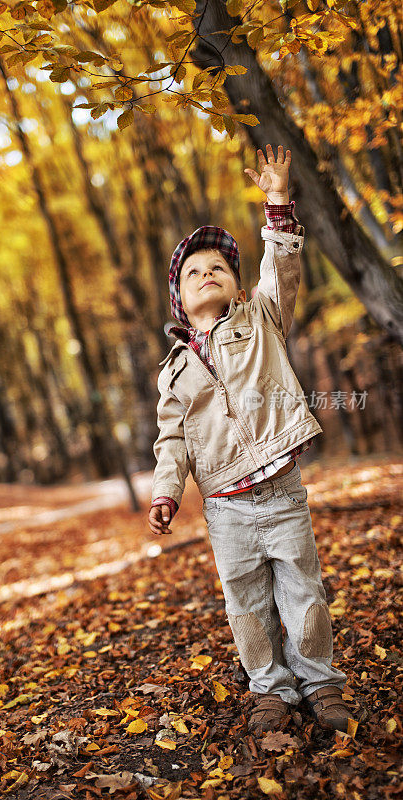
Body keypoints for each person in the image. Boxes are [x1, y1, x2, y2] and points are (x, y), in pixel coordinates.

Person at [148, 144, 355, 735]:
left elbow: (281, 270)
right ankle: (270, 688)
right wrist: (167, 491)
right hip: (224, 506)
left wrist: (277, 204)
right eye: (193, 272)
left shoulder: (261, 317)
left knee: (302, 590)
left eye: (217, 267)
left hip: (279, 487)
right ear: (180, 302)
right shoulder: (175, 370)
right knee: (246, 604)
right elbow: (172, 439)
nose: (206, 273)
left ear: (238, 286)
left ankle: (320, 682)